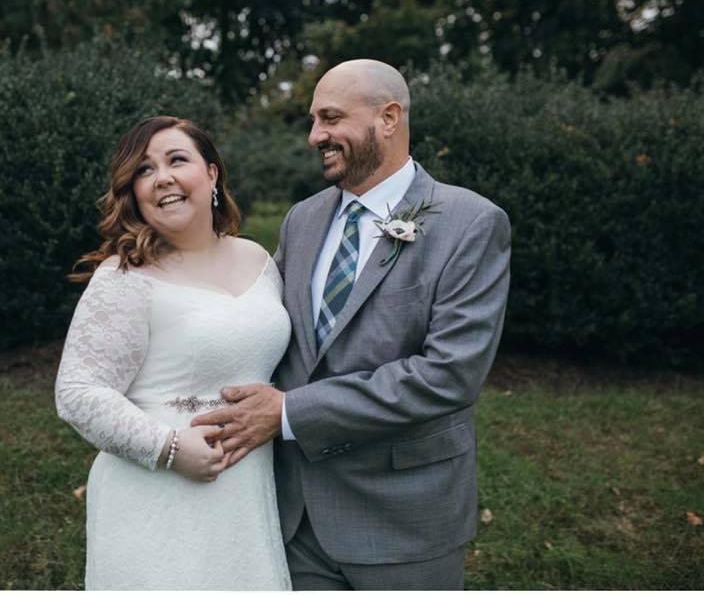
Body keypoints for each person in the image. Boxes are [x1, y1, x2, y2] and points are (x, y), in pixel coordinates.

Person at [191, 59, 511, 589]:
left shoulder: (470, 223)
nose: (317, 135)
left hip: (404, 519)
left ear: (388, 118)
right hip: (295, 517)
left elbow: (449, 376)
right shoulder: (303, 218)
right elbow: (263, 328)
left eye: (331, 118)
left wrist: (289, 412)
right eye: (314, 120)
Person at [54, 116, 292, 590]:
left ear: (212, 174)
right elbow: (77, 392)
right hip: (155, 495)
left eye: (176, 160)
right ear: (133, 192)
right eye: (144, 170)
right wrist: (169, 448)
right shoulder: (125, 277)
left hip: (245, 497)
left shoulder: (260, 261)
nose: (161, 177)